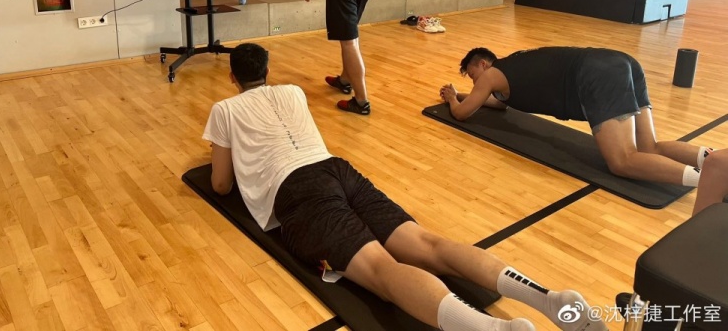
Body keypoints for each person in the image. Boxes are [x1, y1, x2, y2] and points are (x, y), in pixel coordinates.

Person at [204, 43, 607, 331]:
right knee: (429, 245)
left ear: (232, 76)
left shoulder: (224, 108)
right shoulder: (291, 91)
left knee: (383, 272)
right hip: (338, 170)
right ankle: (550, 299)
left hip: (298, 190)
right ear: (268, 71)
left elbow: (220, 184)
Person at [440, 47, 714, 189]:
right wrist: (464, 94)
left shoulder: (490, 75)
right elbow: (498, 105)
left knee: (622, 161)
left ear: (483, 64)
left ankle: (711, 179)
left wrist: (452, 99)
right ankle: (715, 161)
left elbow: (462, 114)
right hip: (621, 62)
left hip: (595, 73)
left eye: (472, 76)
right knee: (649, 148)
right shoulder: (513, 68)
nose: (475, 83)